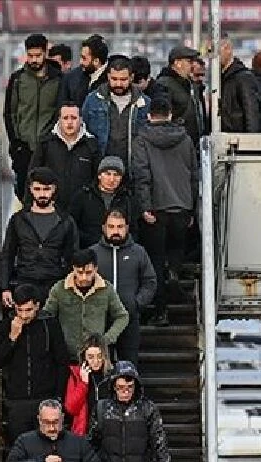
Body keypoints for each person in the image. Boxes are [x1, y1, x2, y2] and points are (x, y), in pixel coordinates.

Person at [131, 95, 198, 327]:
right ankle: (175, 275)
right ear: (170, 114)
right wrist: (192, 209)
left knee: (156, 261)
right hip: (181, 207)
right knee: (175, 253)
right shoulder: (185, 139)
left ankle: (161, 312)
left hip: (156, 210)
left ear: (150, 115)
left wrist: (145, 206)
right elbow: (193, 174)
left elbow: (142, 175)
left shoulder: (142, 139)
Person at [88, 361, 171, 462]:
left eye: (129, 387)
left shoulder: (148, 409)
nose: (125, 392)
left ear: (136, 387)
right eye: (120, 387)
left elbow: (159, 445)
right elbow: (91, 445)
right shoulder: (102, 409)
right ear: (113, 387)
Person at [0, 283, 72, 441]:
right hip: (17, 400)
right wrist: (12, 338)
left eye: (28, 310)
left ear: (37, 306)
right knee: (20, 446)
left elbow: (62, 362)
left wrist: (58, 396)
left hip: (45, 398)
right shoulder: (5, 326)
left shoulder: (50, 325)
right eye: (19, 310)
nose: (23, 315)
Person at [0, 167, 81, 310]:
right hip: (25, 281)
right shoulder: (18, 220)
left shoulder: (66, 221)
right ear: (30, 189)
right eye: (37, 189)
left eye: (46, 189)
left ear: (54, 189)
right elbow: (8, 254)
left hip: (55, 283)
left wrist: (71, 287)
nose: (42, 194)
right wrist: (5, 288)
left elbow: (72, 257)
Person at [92, 208, 156, 365]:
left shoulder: (138, 252)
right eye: (111, 227)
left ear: (127, 227)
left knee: (128, 365)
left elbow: (150, 281)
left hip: (129, 319)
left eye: (120, 227)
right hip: (100, 321)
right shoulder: (92, 253)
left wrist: (137, 303)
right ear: (103, 228)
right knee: (100, 367)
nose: (115, 231)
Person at [4, 34, 64, 201]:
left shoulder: (58, 80)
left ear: (45, 53)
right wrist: (16, 143)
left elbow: (60, 112)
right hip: (24, 149)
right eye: (30, 56)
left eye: (38, 55)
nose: (34, 60)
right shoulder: (18, 79)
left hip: (49, 148)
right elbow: (10, 113)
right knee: (25, 194)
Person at [43, 247, 129, 360]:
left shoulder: (106, 289)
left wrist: (107, 339)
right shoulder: (59, 289)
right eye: (80, 272)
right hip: (66, 354)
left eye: (88, 272)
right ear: (73, 269)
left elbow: (122, 316)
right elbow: (47, 316)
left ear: (96, 269)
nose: (84, 277)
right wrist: (56, 342)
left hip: (96, 358)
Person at [81, 57, 150, 172]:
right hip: (101, 168)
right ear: (108, 77)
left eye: (123, 79)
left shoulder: (144, 103)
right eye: (114, 79)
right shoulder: (93, 100)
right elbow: (84, 131)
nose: (118, 84)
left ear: (131, 78)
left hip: (133, 169)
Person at [30, 102, 101, 214]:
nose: (69, 122)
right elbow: (32, 176)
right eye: (65, 118)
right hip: (51, 211)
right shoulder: (46, 143)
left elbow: (97, 180)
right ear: (59, 119)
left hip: (83, 213)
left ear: (81, 119)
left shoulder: (91, 145)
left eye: (73, 118)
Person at [70, 155, 137, 250]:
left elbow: (134, 230)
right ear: (99, 175)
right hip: (88, 250)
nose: (112, 179)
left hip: (120, 250)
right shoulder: (83, 196)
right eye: (108, 174)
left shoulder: (127, 199)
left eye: (116, 175)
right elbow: (72, 226)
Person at [147, 46, 204, 146]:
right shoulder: (164, 85)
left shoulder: (189, 84)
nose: (193, 65)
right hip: (175, 145)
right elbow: (161, 118)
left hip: (189, 144)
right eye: (189, 61)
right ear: (177, 63)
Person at [63, 335, 112, 436]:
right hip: (84, 433)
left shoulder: (112, 376)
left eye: (99, 356)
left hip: (108, 433)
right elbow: (71, 408)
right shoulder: (75, 375)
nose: (96, 361)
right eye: (91, 357)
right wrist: (83, 383)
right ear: (84, 357)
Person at [218, 36, 261, 133]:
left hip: (238, 140)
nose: (212, 56)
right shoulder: (219, 77)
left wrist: (250, 142)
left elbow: (251, 113)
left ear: (228, 49)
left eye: (215, 51)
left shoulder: (243, 77)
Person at [60, 35, 110, 108]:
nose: (80, 62)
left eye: (84, 58)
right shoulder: (71, 78)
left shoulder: (113, 80)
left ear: (96, 61)